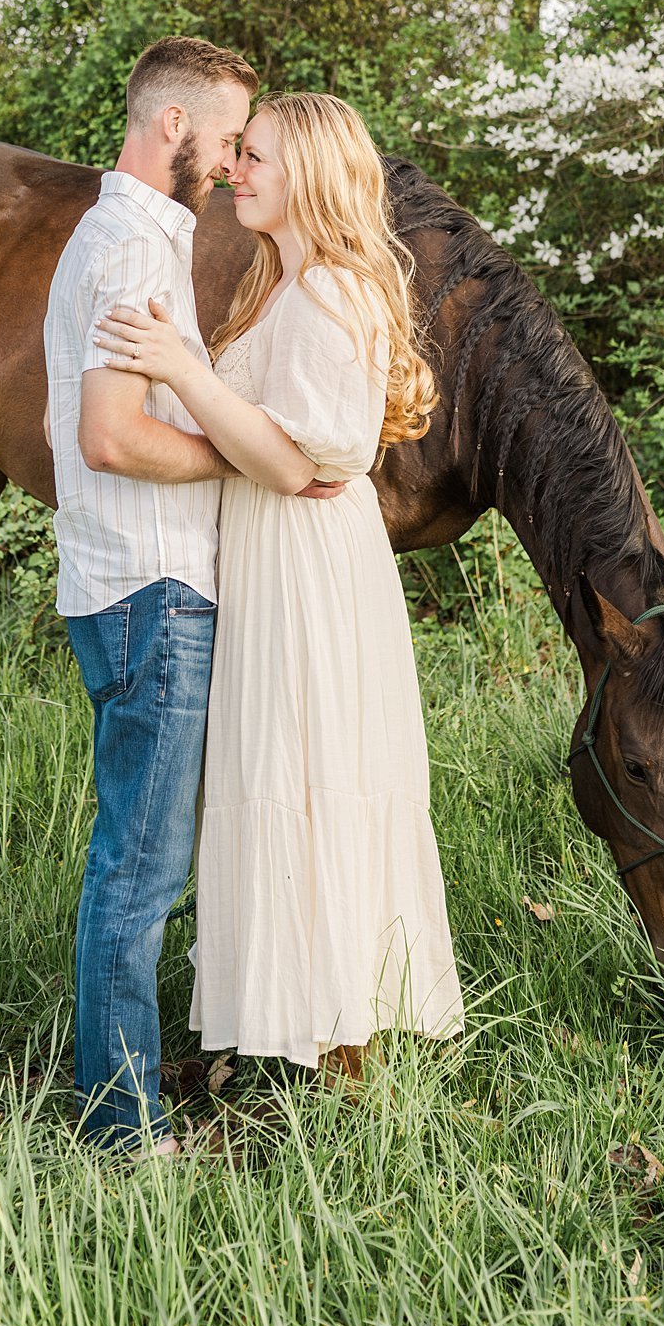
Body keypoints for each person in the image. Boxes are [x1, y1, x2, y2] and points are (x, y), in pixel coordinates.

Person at [95, 93, 464, 1077]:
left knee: (311, 778)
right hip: (274, 550)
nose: (236, 172)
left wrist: (184, 366)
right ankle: (301, 1029)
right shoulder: (279, 287)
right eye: (240, 153)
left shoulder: (333, 290)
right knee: (280, 778)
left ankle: (347, 1049)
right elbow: (262, 442)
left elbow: (303, 457)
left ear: (310, 174)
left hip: (307, 564)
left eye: (257, 157)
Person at [45, 37, 340, 1154]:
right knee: (140, 871)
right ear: (174, 128)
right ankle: (124, 1128)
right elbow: (109, 433)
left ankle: (130, 1086)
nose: (228, 163)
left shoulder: (118, 239)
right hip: (155, 591)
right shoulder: (129, 250)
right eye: (224, 139)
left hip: (127, 584)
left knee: (137, 862)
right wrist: (252, 453)